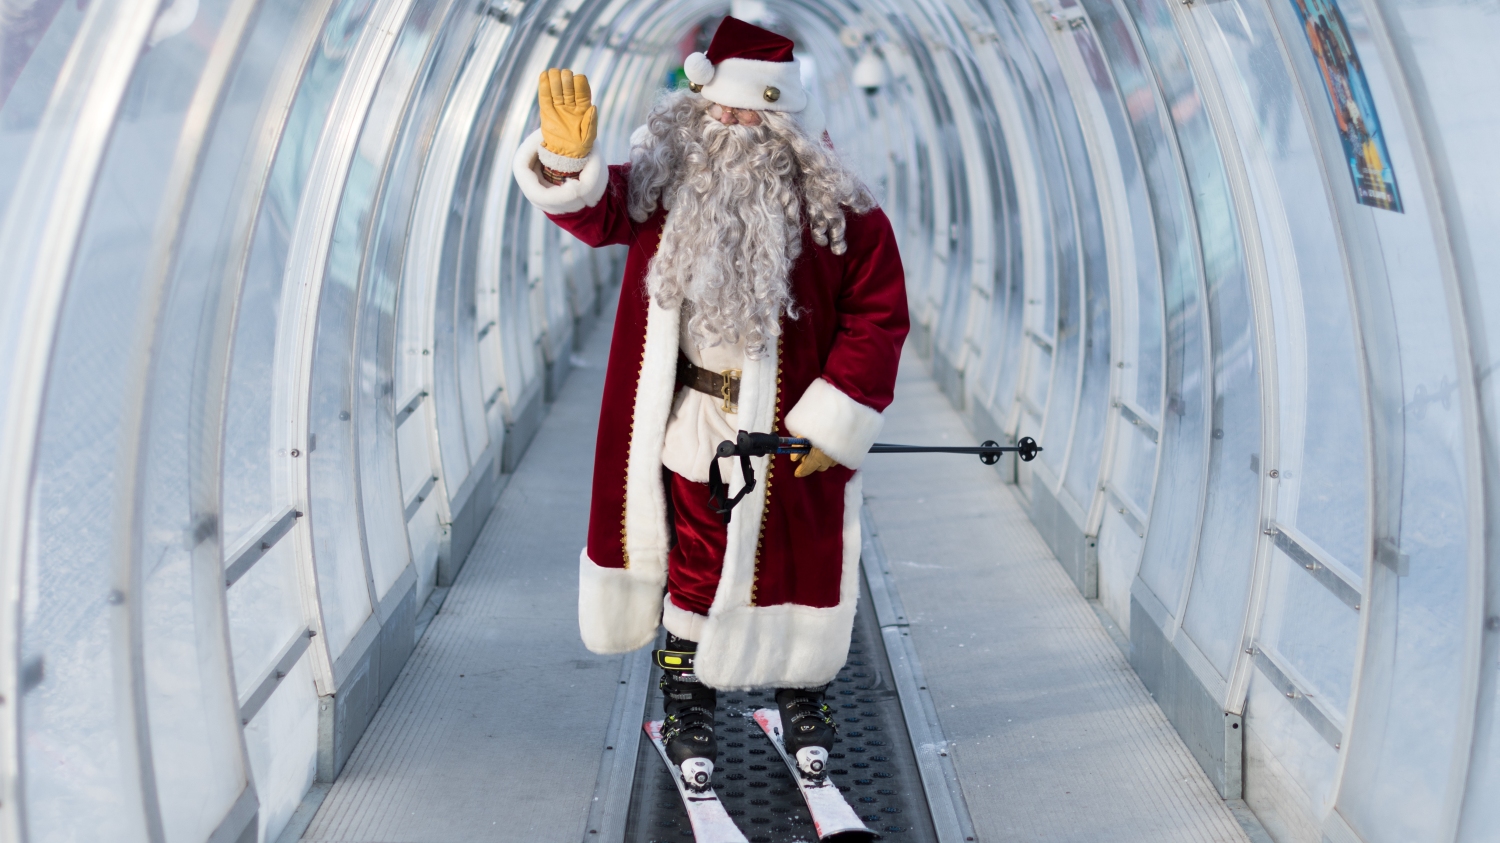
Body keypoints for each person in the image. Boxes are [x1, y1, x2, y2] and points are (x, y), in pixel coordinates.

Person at [512, 16, 908, 786]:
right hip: (691, 419)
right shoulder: (665, 188)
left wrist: (838, 413)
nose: (725, 126)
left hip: (794, 432)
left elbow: (879, 313)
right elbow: (596, 212)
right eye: (715, 111)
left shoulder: (840, 214)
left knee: (798, 560)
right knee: (696, 560)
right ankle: (687, 697)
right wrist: (566, 159)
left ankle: (803, 698)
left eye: (744, 114)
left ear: (780, 123)